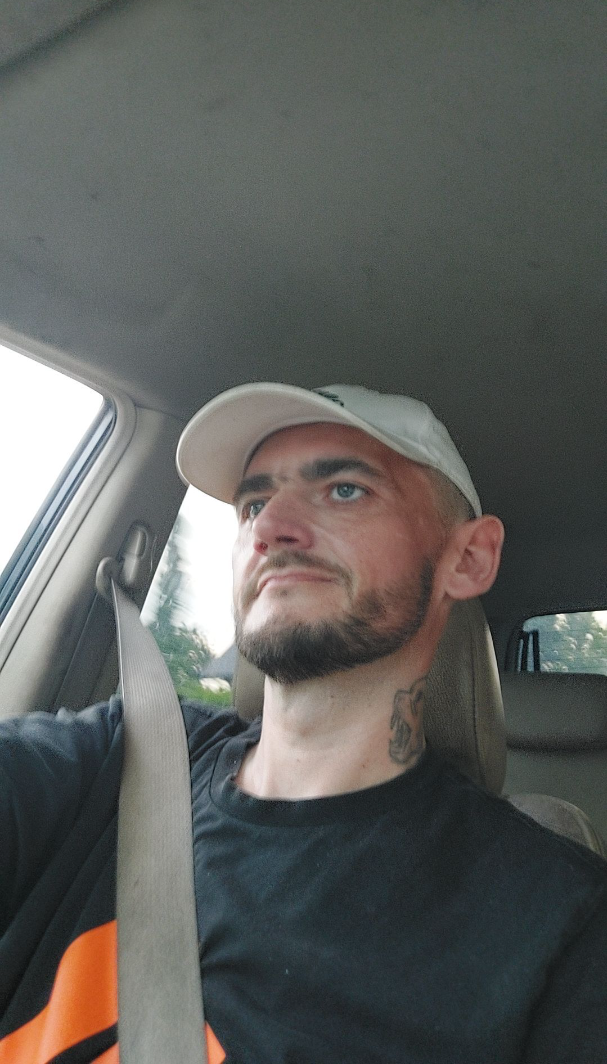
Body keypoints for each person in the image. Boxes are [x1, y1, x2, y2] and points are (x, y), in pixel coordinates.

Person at [1, 383, 606, 1064]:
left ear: (467, 559)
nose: (269, 529)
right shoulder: (119, 754)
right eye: (253, 505)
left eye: (344, 490)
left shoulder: (559, 924)